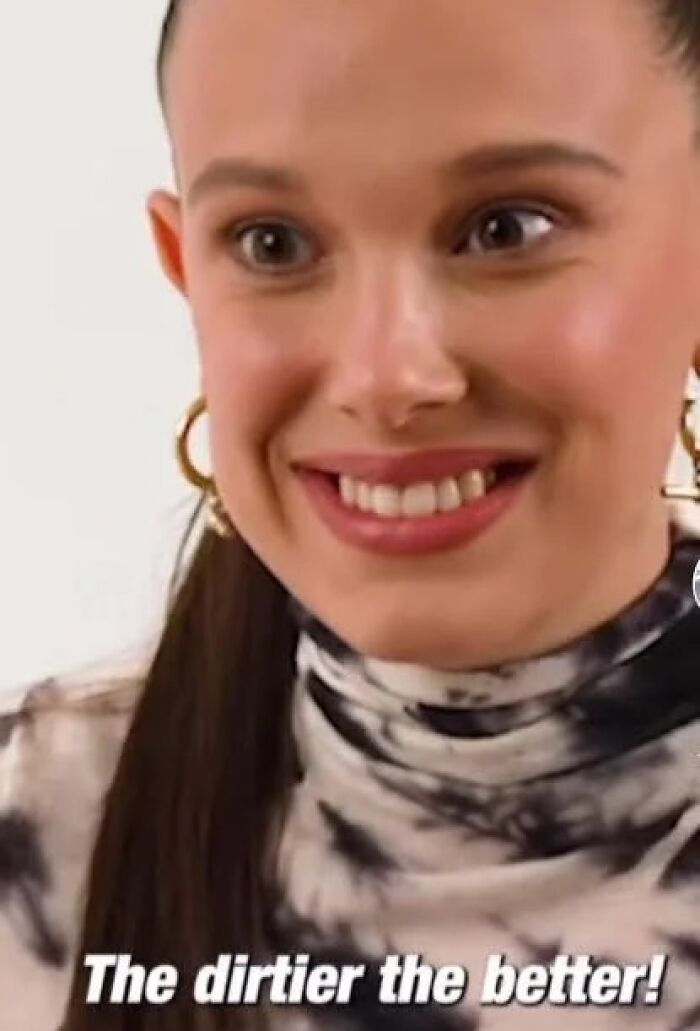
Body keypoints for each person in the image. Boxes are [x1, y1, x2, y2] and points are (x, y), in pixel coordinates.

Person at [2, 0, 700, 1028]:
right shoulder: (36, 828)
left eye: (506, 228)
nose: (386, 375)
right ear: (185, 269)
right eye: (273, 242)